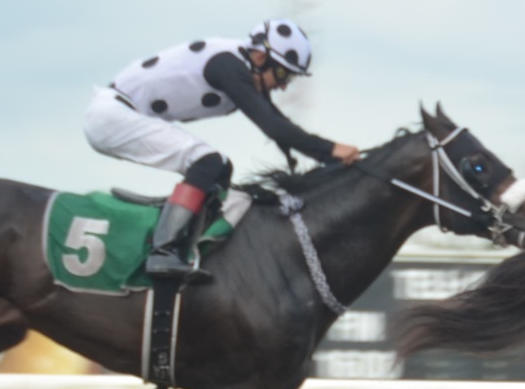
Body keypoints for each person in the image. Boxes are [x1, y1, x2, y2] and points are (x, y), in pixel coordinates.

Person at [83, 20, 361, 282]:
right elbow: (274, 127)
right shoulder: (229, 67)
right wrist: (331, 149)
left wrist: (330, 161)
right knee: (208, 163)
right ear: (260, 57)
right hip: (112, 116)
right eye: (282, 74)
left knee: (220, 169)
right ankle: (164, 252)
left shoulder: (243, 66)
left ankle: (191, 246)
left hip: (119, 115)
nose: (284, 85)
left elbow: (280, 126)